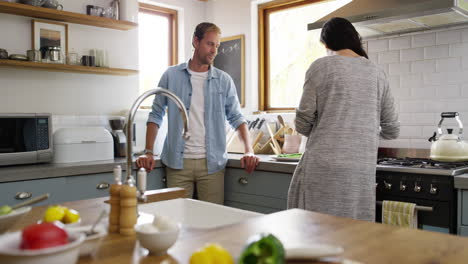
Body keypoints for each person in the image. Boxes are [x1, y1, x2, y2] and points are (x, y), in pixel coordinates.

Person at [287, 17, 400, 221]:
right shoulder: (377, 73)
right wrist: (363, 133)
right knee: (354, 236)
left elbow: (302, 122)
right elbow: (392, 129)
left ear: (327, 43)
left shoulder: (320, 67)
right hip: (361, 171)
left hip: (322, 169)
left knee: (315, 233)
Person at [136, 22, 260, 204]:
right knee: (178, 222)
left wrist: (249, 151)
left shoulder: (223, 80)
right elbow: (156, 115)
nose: (214, 50)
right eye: (210, 44)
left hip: (212, 165)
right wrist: (148, 151)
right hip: (177, 164)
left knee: (212, 223)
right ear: (195, 41)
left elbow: (236, 118)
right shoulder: (171, 76)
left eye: (217, 46)